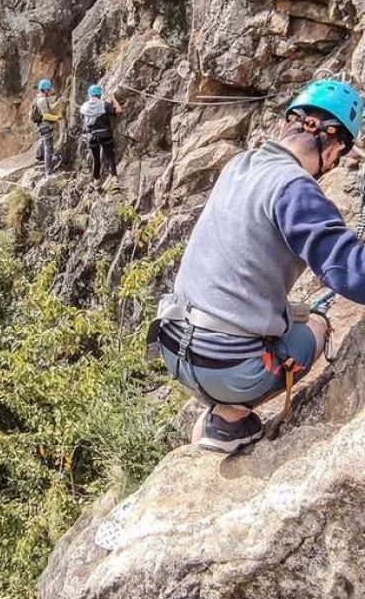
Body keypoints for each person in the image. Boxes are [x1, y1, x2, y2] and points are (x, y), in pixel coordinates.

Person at [150, 78, 365, 454]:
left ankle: (215, 413)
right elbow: (351, 274)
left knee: (288, 317)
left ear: (288, 123)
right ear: (332, 150)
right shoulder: (295, 188)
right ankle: (231, 415)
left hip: (173, 344)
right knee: (315, 324)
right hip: (226, 367)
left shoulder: (239, 164)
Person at [80, 85, 122, 186]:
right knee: (109, 157)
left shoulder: (84, 107)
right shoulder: (104, 105)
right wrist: (113, 98)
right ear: (100, 94)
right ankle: (114, 180)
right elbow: (118, 110)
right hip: (105, 134)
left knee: (96, 160)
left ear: (90, 94)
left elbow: (84, 121)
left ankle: (96, 183)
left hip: (92, 136)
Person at [32, 79, 63, 177]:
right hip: (46, 126)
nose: (50, 91)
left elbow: (51, 108)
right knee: (49, 149)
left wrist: (59, 102)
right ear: (45, 89)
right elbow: (46, 115)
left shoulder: (43, 99)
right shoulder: (42, 100)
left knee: (45, 144)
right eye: (48, 89)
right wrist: (57, 118)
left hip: (44, 127)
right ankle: (48, 171)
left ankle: (39, 156)